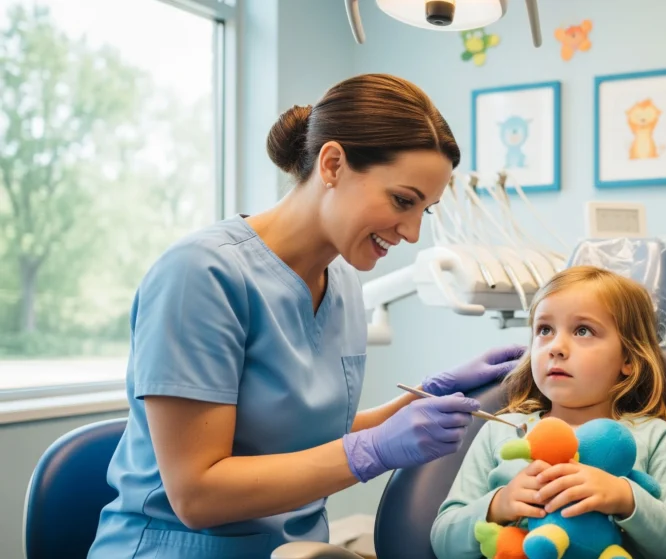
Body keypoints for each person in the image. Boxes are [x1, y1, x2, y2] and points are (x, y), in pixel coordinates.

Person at [88, 73, 524, 558]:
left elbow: (301, 435)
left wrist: (427, 400)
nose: (412, 231)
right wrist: (375, 450)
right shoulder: (201, 274)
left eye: (426, 210)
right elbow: (197, 494)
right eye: (403, 201)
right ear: (333, 163)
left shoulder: (341, 284)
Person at [431, 266, 666, 559]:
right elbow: (442, 541)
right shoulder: (501, 431)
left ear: (628, 358)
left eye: (583, 330)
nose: (556, 347)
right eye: (544, 330)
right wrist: (497, 506)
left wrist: (627, 500)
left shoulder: (654, 437)